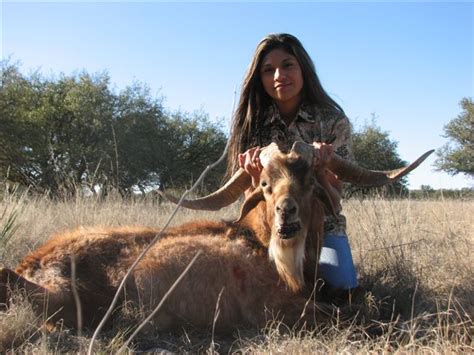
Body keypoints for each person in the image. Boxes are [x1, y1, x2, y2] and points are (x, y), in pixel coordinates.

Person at [226, 33, 359, 298]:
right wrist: (255, 179)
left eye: (287, 65)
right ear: (259, 78)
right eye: (268, 70)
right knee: (253, 291)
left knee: (342, 293)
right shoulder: (251, 126)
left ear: (303, 69)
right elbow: (249, 202)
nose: (278, 75)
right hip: (266, 230)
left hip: (321, 229)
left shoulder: (332, 122)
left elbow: (333, 199)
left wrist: (321, 170)